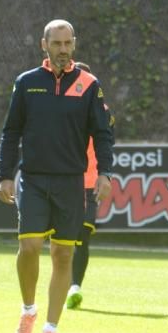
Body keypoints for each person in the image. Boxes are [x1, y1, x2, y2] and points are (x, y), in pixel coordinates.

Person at [0, 20, 114, 333]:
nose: (63, 50)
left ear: (74, 44)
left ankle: (51, 326)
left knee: (63, 254)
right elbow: (11, 132)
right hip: (33, 179)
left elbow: (102, 133)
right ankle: (28, 310)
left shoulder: (89, 85)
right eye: (56, 43)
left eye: (67, 43)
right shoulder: (27, 83)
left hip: (71, 182)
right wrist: (4, 175)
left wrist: (105, 172)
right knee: (30, 246)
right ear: (43, 45)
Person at [66, 61, 115, 310]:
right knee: (64, 239)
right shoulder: (61, 105)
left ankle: (75, 287)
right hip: (64, 178)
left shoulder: (102, 111)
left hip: (88, 181)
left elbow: (106, 142)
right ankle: (64, 284)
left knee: (82, 235)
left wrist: (104, 174)